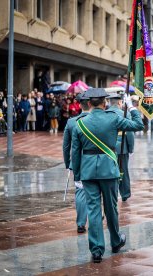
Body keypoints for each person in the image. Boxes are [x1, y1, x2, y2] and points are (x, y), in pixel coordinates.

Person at [71, 88, 144, 263]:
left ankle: (96, 250)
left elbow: (75, 152)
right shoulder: (112, 118)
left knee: (94, 210)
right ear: (104, 103)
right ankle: (116, 240)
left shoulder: (79, 123)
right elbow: (138, 125)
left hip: (88, 171)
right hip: (109, 170)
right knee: (111, 208)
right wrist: (131, 107)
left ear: (88, 104)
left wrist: (77, 176)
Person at [63, 92, 90, 233]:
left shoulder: (71, 122)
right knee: (96, 192)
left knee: (80, 193)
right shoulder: (98, 120)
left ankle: (80, 223)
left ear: (80, 105)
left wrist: (68, 163)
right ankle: (97, 217)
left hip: (78, 163)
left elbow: (66, 146)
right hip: (95, 162)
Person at [106, 93, 135, 202]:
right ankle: (125, 194)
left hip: (107, 147)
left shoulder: (105, 114)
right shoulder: (125, 114)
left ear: (109, 103)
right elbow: (130, 133)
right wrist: (131, 147)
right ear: (119, 102)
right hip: (122, 147)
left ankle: (111, 193)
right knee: (123, 171)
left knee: (110, 171)